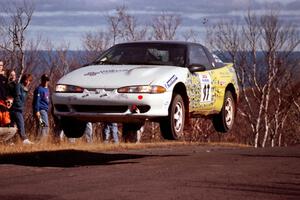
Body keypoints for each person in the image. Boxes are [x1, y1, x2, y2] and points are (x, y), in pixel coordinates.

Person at [10, 73, 34, 144]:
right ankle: (24, 140)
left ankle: (10, 141)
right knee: (21, 123)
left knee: (12, 125)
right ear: (25, 80)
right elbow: (17, 97)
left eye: (30, 81)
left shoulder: (25, 89)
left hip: (18, 109)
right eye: (28, 80)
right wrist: (20, 106)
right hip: (16, 109)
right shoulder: (18, 86)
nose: (29, 82)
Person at [33, 74, 50, 143]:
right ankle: (40, 142)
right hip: (40, 110)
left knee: (42, 125)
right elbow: (36, 100)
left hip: (45, 110)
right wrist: (37, 111)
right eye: (44, 80)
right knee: (43, 125)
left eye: (47, 80)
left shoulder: (47, 89)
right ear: (41, 80)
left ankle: (39, 141)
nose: (45, 82)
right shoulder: (39, 89)